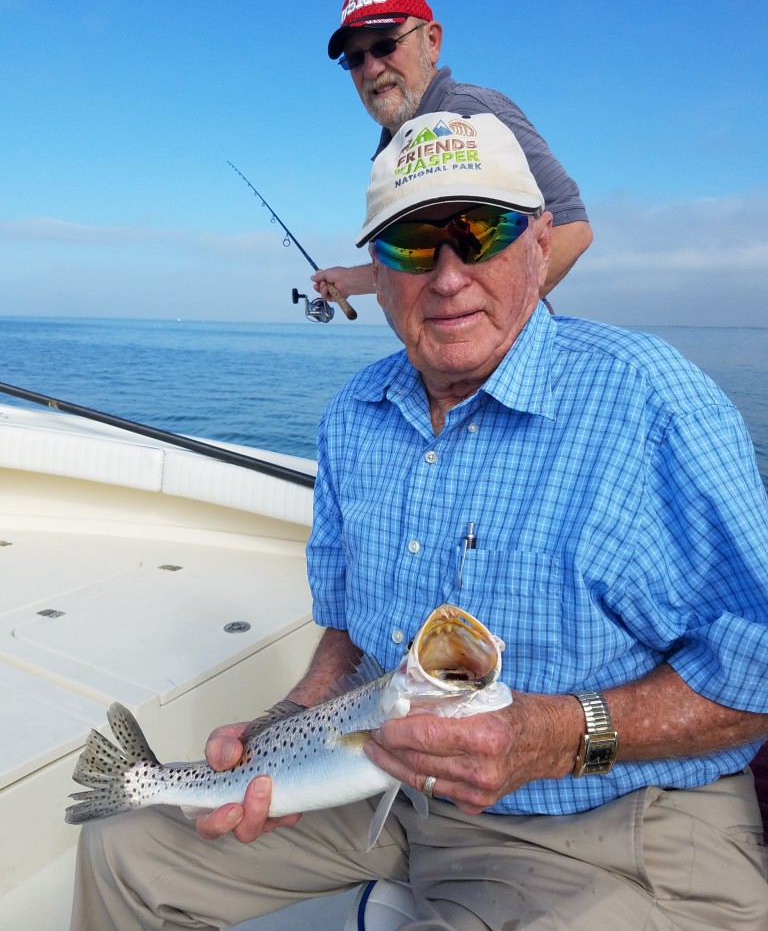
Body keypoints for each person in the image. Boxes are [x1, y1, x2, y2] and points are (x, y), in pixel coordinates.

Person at [71, 114, 768, 931]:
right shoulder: (354, 415)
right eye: (410, 244)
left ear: (540, 242)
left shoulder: (652, 401)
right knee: (122, 847)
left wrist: (554, 736)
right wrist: (283, 731)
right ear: (377, 265)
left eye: (480, 232)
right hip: (381, 786)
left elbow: (755, 668)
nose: (446, 276)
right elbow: (345, 629)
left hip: (603, 824)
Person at [313, 0, 593, 307]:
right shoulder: (391, 148)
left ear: (431, 41)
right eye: (355, 58)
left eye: (385, 46)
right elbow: (433, 260)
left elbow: (572, 228)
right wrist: (351, 279)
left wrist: (486, 324)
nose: (371, 68)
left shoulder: (471, 113)